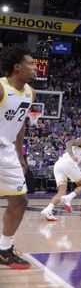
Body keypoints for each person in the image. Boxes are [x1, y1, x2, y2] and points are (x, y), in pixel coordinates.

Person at [0, 46, 36, 269]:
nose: (34, 67)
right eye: (30, 64)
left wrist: (20, 154)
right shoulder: (1, 88)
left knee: (20, 201)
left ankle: (4, 249)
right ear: (17, 67)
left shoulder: (31, 93)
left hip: (7, 151)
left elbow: (20, 124)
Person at [41, 126, 81, 221]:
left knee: (61, 192)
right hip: (68, 163)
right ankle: (68, 199)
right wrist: (72, 156)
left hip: (59, 165)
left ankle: (48, 209)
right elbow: (69, 143)